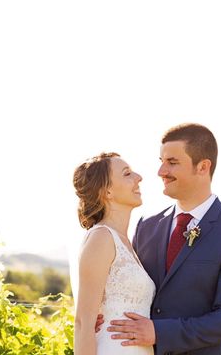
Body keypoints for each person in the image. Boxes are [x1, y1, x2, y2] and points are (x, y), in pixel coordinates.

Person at [101, 123, 221, 355]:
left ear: (203, 167)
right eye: (161, 161)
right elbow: (130, 286)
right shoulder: (147, 226)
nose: (161, 171)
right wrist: (103, 315)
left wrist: (159, 332)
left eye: (172, 163)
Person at [73, 152, 156, 355]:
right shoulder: (101, 238)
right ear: (107, 191)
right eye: (127, 174)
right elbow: (83, 323)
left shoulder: (126, 242)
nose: (138, 177)